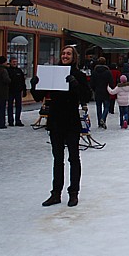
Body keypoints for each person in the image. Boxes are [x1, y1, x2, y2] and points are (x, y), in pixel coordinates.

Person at [30, 45, 91, 207]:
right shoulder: (53, 73)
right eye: (63, 53)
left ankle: (73, 192)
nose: (65, 56)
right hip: (55, 120)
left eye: (68, 54)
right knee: (57, 159)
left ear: (74, 57)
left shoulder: (78, 75)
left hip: (71, 120)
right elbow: (38, 96)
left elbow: (86, 96)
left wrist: (75, 84)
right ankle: (55, 193)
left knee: (73, 158)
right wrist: (34, 84)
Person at [89, 56, 113, 129]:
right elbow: (111, 82)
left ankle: (100, 121)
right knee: (106, 106)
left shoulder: (94, 71)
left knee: (98, 107)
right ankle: (103, 118)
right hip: (105, 91)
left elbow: (91, 83)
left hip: (98, 91)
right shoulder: (108, 72)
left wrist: (94, 89)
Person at [7, 57, 26, 127]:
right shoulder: (8, 71)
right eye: (13, 62)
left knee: (18, 106)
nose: (15, 63)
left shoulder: (19, 71)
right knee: (10, 106)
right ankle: (10, 121)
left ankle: (18, 120)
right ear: (10, 62)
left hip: (18, 91)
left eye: (16, 62)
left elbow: (22, 81)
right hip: (10, 91)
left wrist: (24, 90)